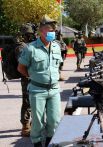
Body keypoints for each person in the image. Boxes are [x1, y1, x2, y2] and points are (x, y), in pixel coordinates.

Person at [17, 15, 62, 147]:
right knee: (37, 121)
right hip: (37, 90)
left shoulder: (56, 47)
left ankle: (49, 141)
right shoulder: (30, 48)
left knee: (54, 120)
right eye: (49, 30)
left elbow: (57, 66)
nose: (52, 33)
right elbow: (21, 68)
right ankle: (37, 142)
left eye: (53, 30)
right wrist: (33, 77)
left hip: (54, 89)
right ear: (41, 32)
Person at [15, 23, 37, 137]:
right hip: (26, 78)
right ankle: (25, 125)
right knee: (27, 101)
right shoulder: (21, 47)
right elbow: (22, 64)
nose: (31, 36)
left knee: (36, 101)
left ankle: (35, 124)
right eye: (29, 34)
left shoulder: (32, 45)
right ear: (25, 35)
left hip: (35, 77)